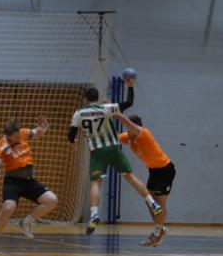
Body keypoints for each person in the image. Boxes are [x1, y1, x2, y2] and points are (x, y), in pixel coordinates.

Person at [68, 78, 162, 234]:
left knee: (95, 183)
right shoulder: (106, 108)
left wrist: (74, 143)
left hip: (97, 151)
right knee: (130, 177)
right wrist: (130, 86)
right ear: (97, 98)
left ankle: (94, 214)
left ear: (85, 99)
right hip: (112, 148)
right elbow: (129, 102)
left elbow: (71, 135)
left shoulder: (78, 113)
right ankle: (152, 203)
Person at [0, 118, 58, 253]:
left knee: (52, 200)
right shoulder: (2, 145)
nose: (19, 137)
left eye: (19, 134)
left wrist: (43, 129)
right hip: (13, 182)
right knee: (9, 207)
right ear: (9, 136)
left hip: (28, 181)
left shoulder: (23, 133)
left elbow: (37, 132)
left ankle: (26, 222)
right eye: (16, 136)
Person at [114, 113, 176, 246]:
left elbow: (129, 124)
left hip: (165, 169)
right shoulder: (129, 136)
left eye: (129, 128)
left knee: (159, 203)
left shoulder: (143, 133)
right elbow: (113, 138)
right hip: (153, 171)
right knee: (150, 202)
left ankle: (156, 235)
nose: (127, 131)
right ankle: (160, 229)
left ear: (134, 127)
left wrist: (115, 113)